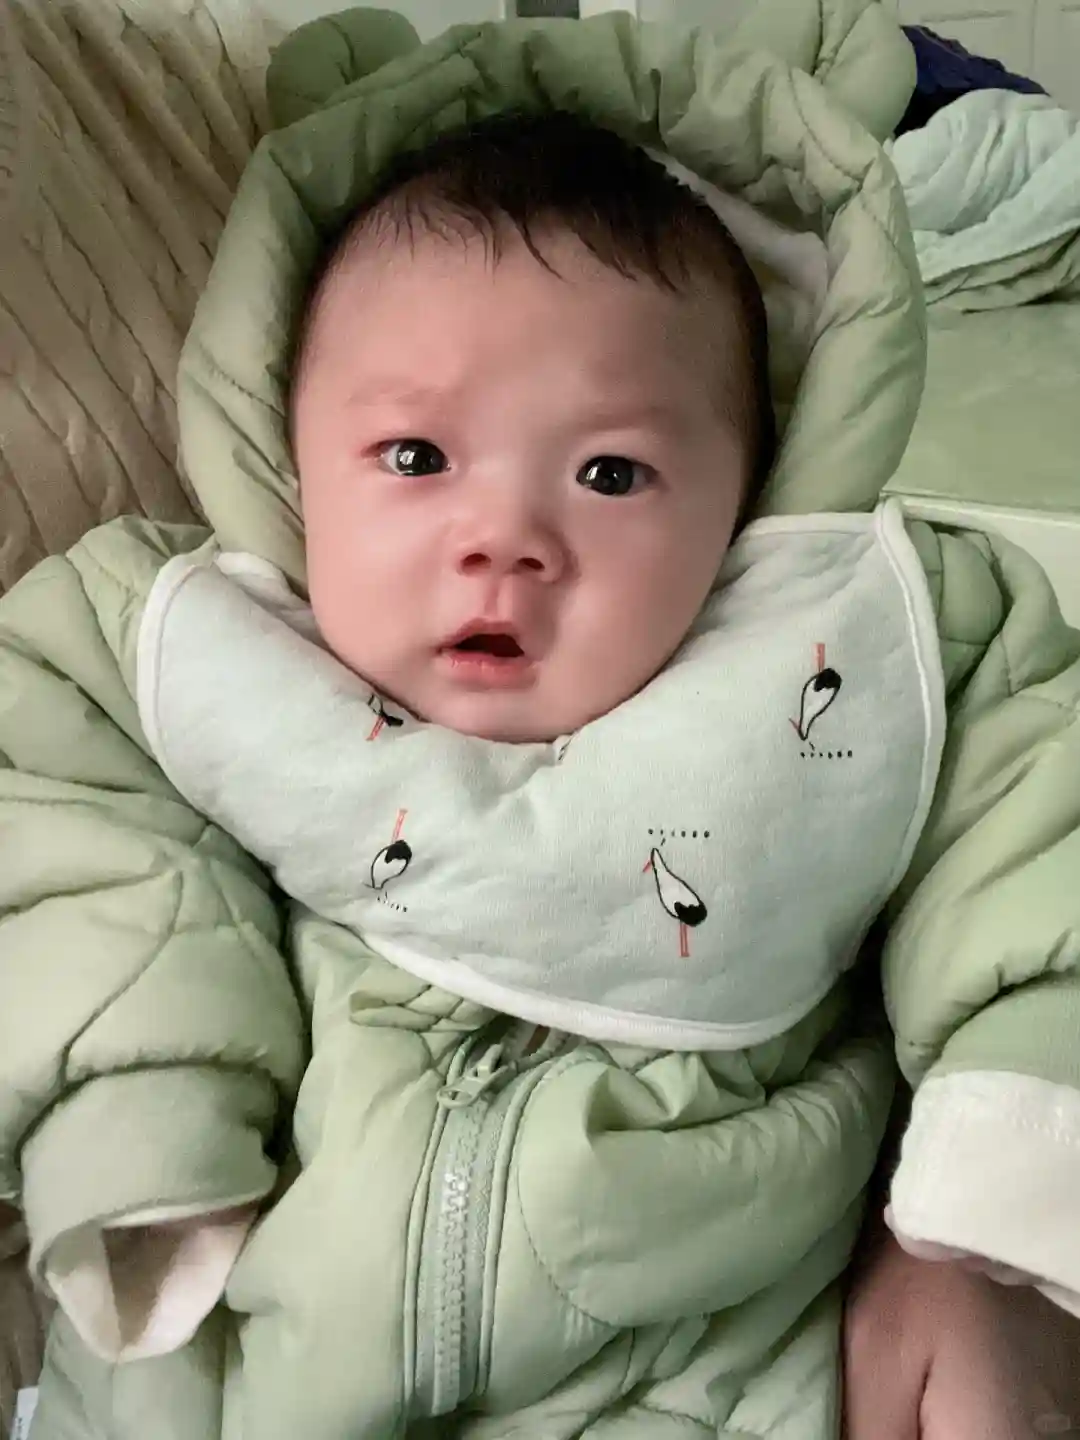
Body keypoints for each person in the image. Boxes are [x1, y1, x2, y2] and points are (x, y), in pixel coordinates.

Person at [3, 13, 1080, 1440]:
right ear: (287, 453)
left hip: (714, 1361)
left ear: (753, 490)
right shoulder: (171, 648)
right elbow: (75, 843)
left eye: (612, 473)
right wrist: (138, 1101)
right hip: (238, 1353)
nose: (503, 536)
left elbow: (1041, 847)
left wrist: (1006, 1182)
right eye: (415, 456)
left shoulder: (880, 653)